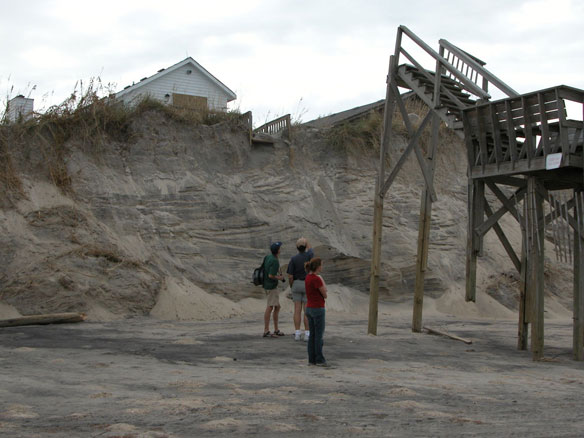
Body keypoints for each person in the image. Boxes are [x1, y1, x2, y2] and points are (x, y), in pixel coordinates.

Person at [287, 237, 313, 341]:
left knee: (297, 310)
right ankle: (307, 334)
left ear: (297, 248)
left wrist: (292, 286)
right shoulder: (309, 255)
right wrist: (306, 241)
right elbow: (311, 249)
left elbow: (290, 275)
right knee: (306, 311)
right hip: (307, 283)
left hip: (296, 283)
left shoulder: (293, 259)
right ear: (305, 246)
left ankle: (297, 333)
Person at [304, 257, 328, 366]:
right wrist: (322, 280)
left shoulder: (308, 277)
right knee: (318, 336)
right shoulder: (316, 279)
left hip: (309, 307)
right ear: (318, 267)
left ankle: (311, 359)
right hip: (317, 308)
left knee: (312, 335)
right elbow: (325, 294)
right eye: (321, 265)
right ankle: (319, 359)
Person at [263, 241, 286, 338]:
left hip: (266, 284)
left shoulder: (268, 257)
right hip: (271, 286)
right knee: (270, 307)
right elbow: (271, 275)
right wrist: (279, 278)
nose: (281, 249)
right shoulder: (275, 261)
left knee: (277, 307)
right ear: (277, 251)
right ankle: (266, 330)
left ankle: (276, 329)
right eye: (280, 248)